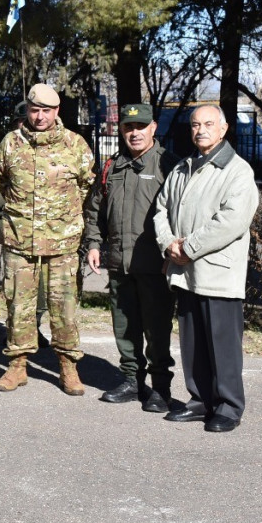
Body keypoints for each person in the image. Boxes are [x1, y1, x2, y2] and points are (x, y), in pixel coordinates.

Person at [154, 104, 258, 433]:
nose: (201, 129)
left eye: (209, 124)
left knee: (222, 343)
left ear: (224, 129)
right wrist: (168, 243)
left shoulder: (238, 172)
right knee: (193, 341)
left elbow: (231, 221)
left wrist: (188, 247)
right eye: (196, 124)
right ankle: (199, 400)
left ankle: (228, 405)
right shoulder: (183, 167)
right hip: (186, 272)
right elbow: (161, 209)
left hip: (217, 273)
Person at [0, 84, 94, 395]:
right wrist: (9, 211)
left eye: (46, 111)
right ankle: (17, 365)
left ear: (56, 111)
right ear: (28, 110)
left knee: (64, 307)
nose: (40, 116)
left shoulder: (75, 145)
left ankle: (67, 366)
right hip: (20, 243)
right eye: (35, 110)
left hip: (61, 244)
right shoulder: (11, 143)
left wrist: (65, 218)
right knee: (18, 306)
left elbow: (86, 186)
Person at [83, 103, 180, 412]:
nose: (134, 132)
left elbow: (181, 215)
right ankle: (130, 381)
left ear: (153, 128)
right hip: (119, 263)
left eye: (141, 127)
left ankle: (160, 388)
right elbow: (94, 210)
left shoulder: (169, 165)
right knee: (124, 326)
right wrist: (94, 244)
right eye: (128, 127)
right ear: (121, 130)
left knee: (156, 329)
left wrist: (173, 253)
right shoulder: (113, 166)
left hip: (155, 265)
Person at [0, 100, 50, 348]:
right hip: (14, 227)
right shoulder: (4, 147)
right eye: (21, 121)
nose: (26, 125)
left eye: (27, 120)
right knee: (16, 284)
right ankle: (15, 330)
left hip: (46, 230)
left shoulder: (48, 146)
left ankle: (34, 327)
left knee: (41, 287)